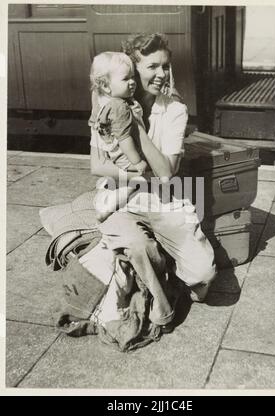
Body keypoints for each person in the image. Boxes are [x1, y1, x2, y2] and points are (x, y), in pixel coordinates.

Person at [87, 33, 216, 329]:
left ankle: (160, 263)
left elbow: (166, 173)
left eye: (165, 66)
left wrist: (135, 129)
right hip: (120, 197)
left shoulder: (174, 110)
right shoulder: (107, 104)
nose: (162, 74)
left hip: (161, 197)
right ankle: (148, 264)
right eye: (152, 67)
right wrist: (130, 174)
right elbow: (97, 165)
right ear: (131, 70)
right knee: (137, 247)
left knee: (203, 281)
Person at [88, 51, 149, 221]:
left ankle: (110, 190)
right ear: (106, 86)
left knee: (126, 181)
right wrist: (137, 162)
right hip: (125, 155)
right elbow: (125, 138)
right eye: (125, 79)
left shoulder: (101, 98)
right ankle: (109, 206)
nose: (132, 82)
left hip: (112, 151)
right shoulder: (120, 107)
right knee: (139, 182)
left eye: (132, 77)